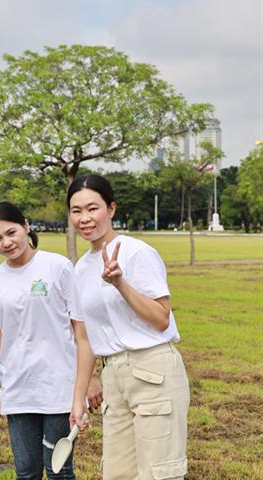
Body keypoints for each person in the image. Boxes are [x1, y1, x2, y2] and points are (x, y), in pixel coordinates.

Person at [0, 202, 94, 480]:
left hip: (58, 387)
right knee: (26, 473)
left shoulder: (57, 267)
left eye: (11, 233)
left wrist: (84, 388)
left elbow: (81, 332)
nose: (6, 243)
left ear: (26, 226)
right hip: (19, 389)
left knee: (59, 471)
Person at [67, 174, 189, 480]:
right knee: (117, 473)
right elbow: (84, 338)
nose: (84, 218)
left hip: (153, 369)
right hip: (114, 377)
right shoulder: (81, 269)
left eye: (92, 208)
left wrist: (121, 283)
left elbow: (161, 318)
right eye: (76, 210)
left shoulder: (136, 252)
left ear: (111, 209)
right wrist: (78, 397)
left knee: (158, 473)